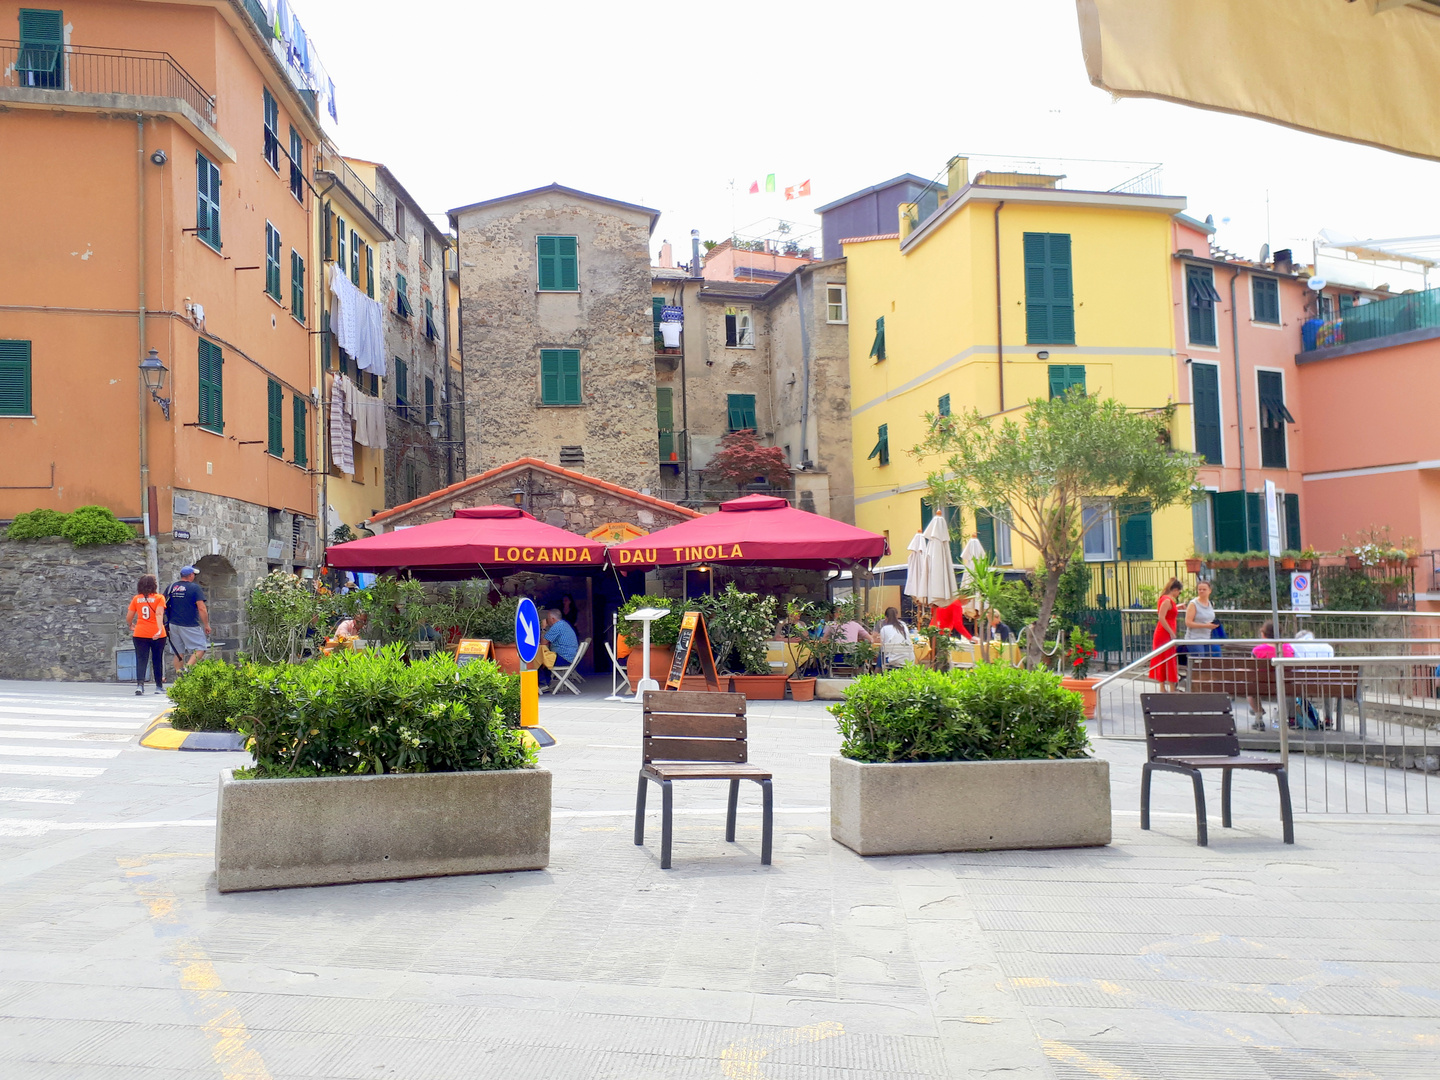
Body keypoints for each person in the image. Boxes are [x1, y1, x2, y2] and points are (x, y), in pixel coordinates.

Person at [163, 566, 211, 676]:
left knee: (178, 652)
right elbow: (201, 608)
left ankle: (179, 680)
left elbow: (162, 603)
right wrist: (206, 625)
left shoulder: (171, 587)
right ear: (190, 575)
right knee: (201, 648)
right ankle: (187, 669)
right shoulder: (194, 588)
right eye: (193, 574)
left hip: (173, 624)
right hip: (189, 624)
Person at [126, 574, 168, 696]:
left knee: (141, 659)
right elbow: (159, 614)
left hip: (140, 632)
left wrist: (131, 624)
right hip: (157, 633)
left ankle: (140, 685)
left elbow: (129, 616)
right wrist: (159, 629)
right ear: (154, 585)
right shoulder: (159, 598)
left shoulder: (136, 599)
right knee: (157, 659)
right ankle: (158, 686)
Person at [1248, 621, 1294, 730]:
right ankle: (1292, 719)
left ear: (1263, 634)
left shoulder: (1258, 650)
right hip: (1285, 686)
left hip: (1263, 687)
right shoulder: (1288, 648)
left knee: (1250, 688)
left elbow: (1251, 670)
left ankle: (1258, 718)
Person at [1148, 578, 1184, 692]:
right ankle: (1169, 687)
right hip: (1165, 633)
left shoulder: (1166, 599)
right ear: (1175, 590)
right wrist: (1171, 632)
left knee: (1164, 658)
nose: (1178, 594)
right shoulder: (1167, 600)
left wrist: (1177, 607)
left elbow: (1167, 612)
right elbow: (1162, 617)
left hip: (1165, 632)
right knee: (1168, 658)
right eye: (1179, 591)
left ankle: (1163, 687)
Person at [539, 607, 579, 686]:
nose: (547, 620)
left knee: (539, 658)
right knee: (543, 657)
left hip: (564, 659)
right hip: (569, 657)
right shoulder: (564, 624)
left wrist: (543, 628)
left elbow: (543, 642)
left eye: (548, 618)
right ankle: (545, 683)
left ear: (552, 619)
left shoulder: (557, 626)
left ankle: (542, 684)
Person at [1182, 579, 1219, 664]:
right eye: (1199, 589)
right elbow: (1188, 622)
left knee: (1208, 661)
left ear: (1209, 591)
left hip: (1207, 638)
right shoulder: (1193, 604)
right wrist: (1205, 626)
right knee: (1199, 661)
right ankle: (1196, 676)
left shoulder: (1210, 604)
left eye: (1204, 589)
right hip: (1194, 639)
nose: (1201, 591)